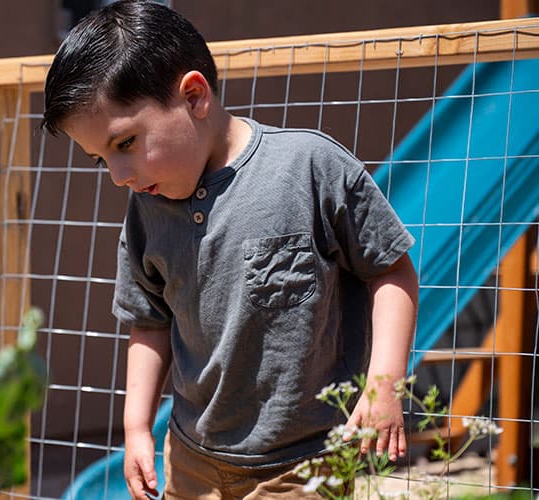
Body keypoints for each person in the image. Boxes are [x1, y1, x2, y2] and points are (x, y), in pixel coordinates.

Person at [42, 1, 419, 498]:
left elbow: (390, 270)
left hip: (303, 465)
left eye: (126, 143)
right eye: (99, 160)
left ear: (194, 96)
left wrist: (384, 384)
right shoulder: (146, 209)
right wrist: (135, 428)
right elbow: (149, 321)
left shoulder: (308, 168)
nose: (119, 175)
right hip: (191, 461)